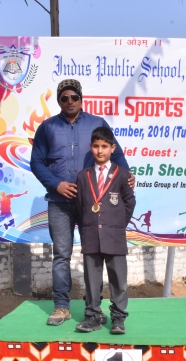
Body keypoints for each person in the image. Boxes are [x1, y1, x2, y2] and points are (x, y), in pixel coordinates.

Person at [30, 79, 134, 326]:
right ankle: (61, 306)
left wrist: (126, 174)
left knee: (95, 254)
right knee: (61, 254)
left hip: (92, 202)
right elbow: (37, 162)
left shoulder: (97, 123)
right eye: (64, 98)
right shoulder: (47, 127)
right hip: (60, 201)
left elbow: (116, 153)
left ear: (81, 98)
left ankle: (94, 308)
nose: (70, 101)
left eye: (74, 97)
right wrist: (56, 184)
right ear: (59, 100)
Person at [74, 127, 136, 334]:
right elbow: (80, 206)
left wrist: (118, 225)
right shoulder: (83, 176)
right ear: (91, 147)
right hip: (91, 235)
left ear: (112, 148)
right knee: (92, 279)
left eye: (104, 146)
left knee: (118, 278)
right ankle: (93, 316)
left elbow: (129, 202)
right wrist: (87, 226)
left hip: (114, 235)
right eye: (96, 146)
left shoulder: (122, 175)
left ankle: (118, 318)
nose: (100, 151)